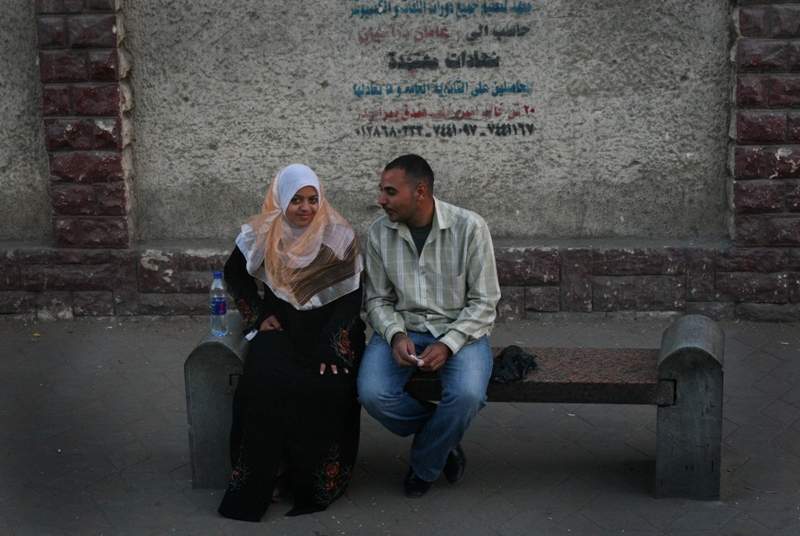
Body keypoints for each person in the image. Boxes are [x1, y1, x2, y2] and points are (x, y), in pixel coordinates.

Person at [217, 164, 366, 522]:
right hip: (281, 329)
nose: (306, 208)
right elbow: (234, 273)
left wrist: (333, 344)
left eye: (313, 199)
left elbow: (351, 298)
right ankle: (264, 481)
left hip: (330, 332)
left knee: (326, 386)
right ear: (281, 200)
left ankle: (313, 485)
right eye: (297, 200)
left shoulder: (339, 236)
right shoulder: (264, 233)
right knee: (262, 383)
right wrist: (257, 316)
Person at [357, 154, 501, 498]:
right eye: (381, 190)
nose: (381, 200)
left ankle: (425, 465)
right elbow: (377, 300)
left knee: (467, 395)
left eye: (390, 192)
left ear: (420, 191)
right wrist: (395, 335)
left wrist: (449, 343)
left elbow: (485, 302)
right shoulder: (378, 233)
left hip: (461, 332)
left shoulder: (470, 227)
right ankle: (442, 437)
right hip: (404, 328)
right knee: (373, 394)